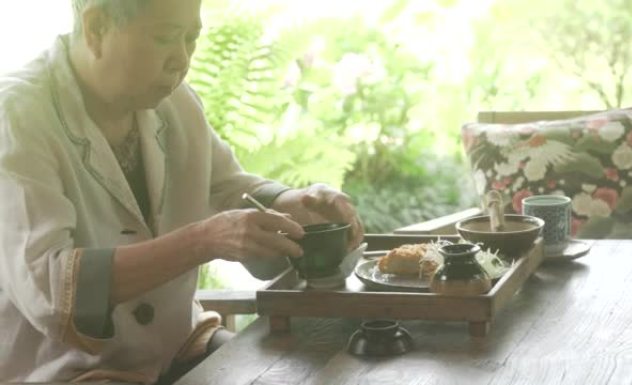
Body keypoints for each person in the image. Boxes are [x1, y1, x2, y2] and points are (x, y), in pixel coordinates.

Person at [0, 0, 364, 383]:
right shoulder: (17, 117)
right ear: (96, 28)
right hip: (63, 371)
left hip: (178, 346)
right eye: (165, 38)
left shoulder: (176, 102)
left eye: (191, 39)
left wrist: (299, 204)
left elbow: (228, 189)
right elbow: (52, 291)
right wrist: (202, 241)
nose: (181, 59)